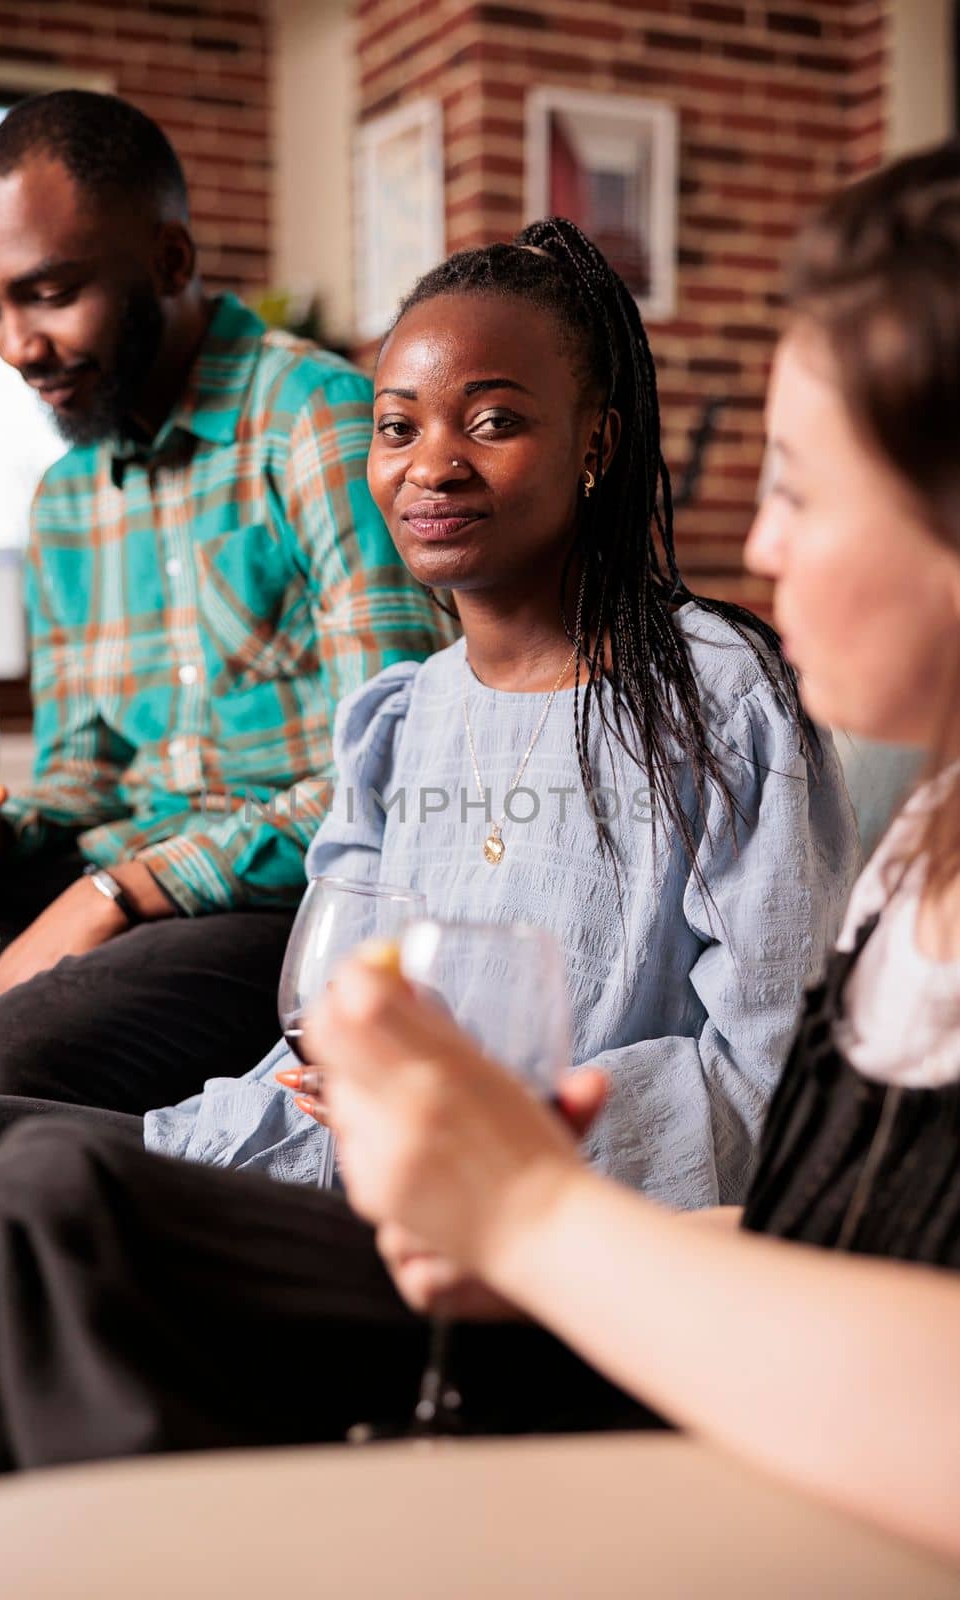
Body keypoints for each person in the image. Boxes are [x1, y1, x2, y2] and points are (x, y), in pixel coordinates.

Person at [0, 213, 860, 1495]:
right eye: (398, 426)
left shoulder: (719, 701)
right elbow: (319, 1010)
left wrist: (472, 1125)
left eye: (493, 420)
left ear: (595, 444)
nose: (431, 465)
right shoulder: (400, 717)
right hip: (317, 1162)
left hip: (496, 1237)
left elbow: (771, 1090)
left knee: (46, 1195)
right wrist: (336, 1068)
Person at [303, 143, 960, 1563]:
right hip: (671, 1352)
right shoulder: (923, 854)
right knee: (2, 1175)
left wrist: (532, 1216)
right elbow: (823, 1235)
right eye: (395, 423)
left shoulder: (717, 694)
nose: (759, 555)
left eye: (794, 487)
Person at [0, 91, 447, 1111]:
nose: (16, 345)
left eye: (50, 294)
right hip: (121, 881)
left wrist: (116, 892)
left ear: (170, 263)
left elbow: (394, 769)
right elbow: (83, 775)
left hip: (282, 898)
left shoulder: (318, 426)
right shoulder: (64, 500)